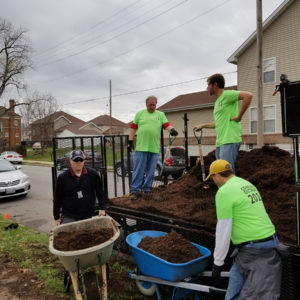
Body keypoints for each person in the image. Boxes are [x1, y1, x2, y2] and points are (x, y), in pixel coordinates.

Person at [206, 159, 282, 300]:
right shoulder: (245, 184)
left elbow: (223, 230)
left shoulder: (224, 192)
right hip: (253, 249)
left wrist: (217, 263)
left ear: (216, 175)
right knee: (232, 293)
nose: (213, 182)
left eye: (212, 178)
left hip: (257, 252)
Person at [194, 73, 252, 173]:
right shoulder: (217, 102)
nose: (207, 88)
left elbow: (248, 96)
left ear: (215, 84)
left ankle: (232, 188)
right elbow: (217, 123)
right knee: (220, 172)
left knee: (226, 172)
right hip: (221, 142)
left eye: (208, 85)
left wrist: (239, 116)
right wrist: (202, 125)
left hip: (229, 139)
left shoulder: (227, 95)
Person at [128, 95, 178, 200]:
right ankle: (134, 191)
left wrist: (172, 130)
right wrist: (130, 141)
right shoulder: (140, 114)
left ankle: (147, 190)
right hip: (141, 147)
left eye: (154, 105)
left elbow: (167, 124)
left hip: (154, 148)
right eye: (150, 105)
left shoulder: (160, 114)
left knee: (151, 171)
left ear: (156, 104)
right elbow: (133, 128)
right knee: (138, 170)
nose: (152, 107)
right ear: (146, 105)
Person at [53, 150, 106, 225]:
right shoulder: (62, 178)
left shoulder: (93, 174)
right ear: (70, 160)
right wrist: (56, 217)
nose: (78, 162)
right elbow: (57, 198)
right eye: (75, 160)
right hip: (69, 215)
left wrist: (102, 208)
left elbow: (100, 192)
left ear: (84, 161)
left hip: (88, 214)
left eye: (81, 159)